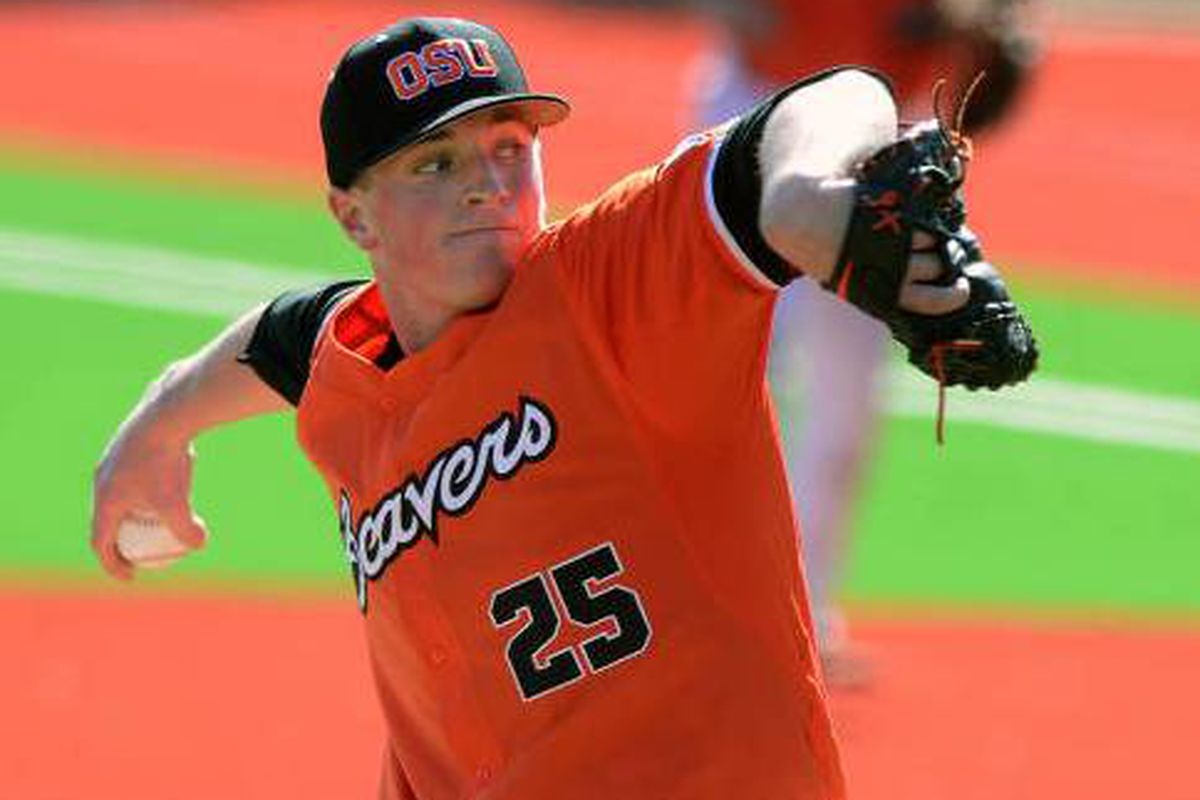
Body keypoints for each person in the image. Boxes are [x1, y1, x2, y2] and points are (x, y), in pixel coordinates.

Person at [90, 16, 1032, 800]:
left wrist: (802, 203)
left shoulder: (603, 289)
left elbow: (830, 93)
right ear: (353, 216)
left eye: (509, 148)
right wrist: (153, 429)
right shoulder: (348, 362)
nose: (489, 186)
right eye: (435, 164)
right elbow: (279, 341)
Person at [688, 0, 1039, 684]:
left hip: (880, 141)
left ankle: (804, 621)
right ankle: (689, 607)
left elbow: (995, 28)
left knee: (844, 409)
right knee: (719, 372)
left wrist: (965, 27)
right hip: (760, 117)